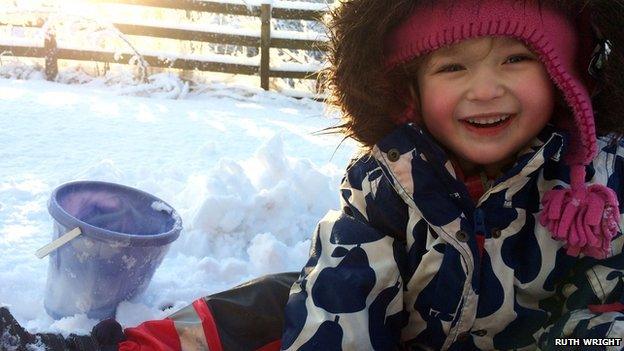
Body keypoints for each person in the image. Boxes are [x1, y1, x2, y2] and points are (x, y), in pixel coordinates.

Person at [2, 0, 624, 350]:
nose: (485, 89)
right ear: (410, 93)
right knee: (287, 296)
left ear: (563, 76)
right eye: (453, 67)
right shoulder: (390, 183)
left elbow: (604, 306)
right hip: (391, 338)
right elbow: (345, 286)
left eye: (516, 59)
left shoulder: (594, 191)